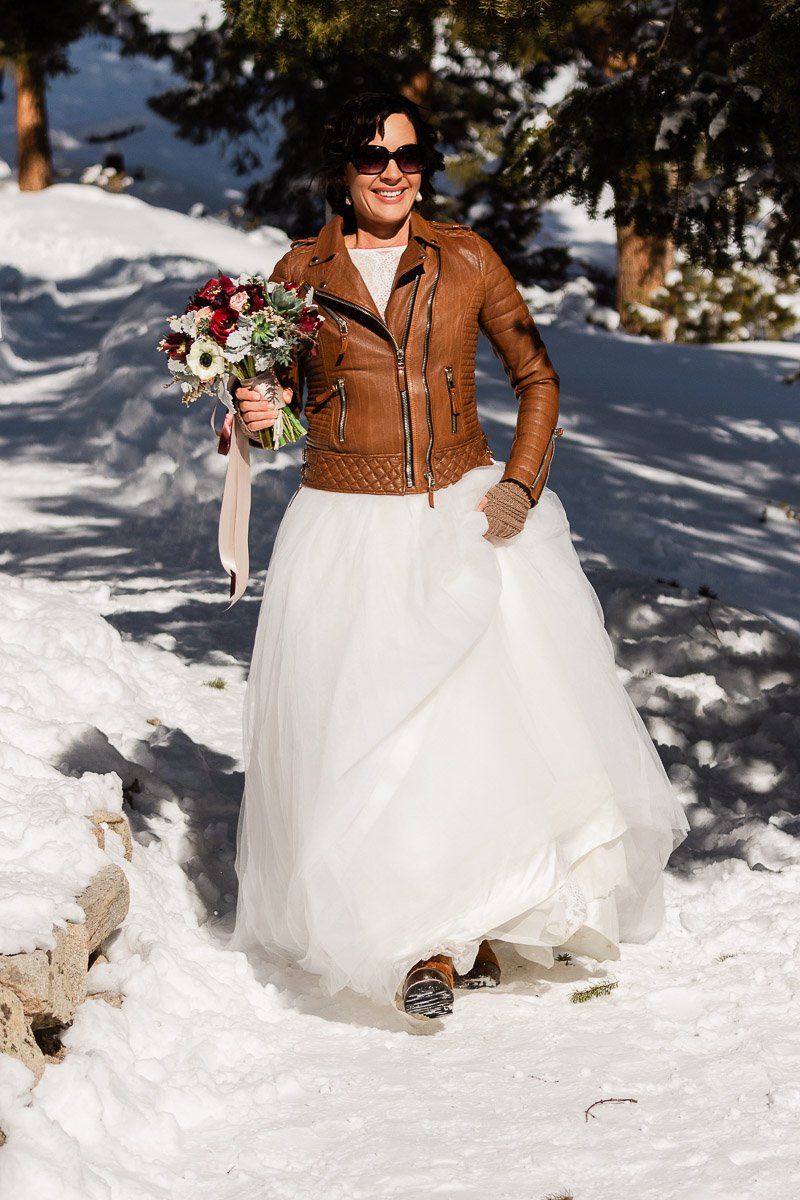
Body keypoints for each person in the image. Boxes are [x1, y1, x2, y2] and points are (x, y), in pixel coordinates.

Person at [225, 91, 689, 1021]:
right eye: (369, 154)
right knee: (369, 744)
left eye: (409, 151)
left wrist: (518, 485)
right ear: (342, 170)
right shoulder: (297, 272)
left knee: (467, 743)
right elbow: (272, 407)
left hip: (465, 520)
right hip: (344, 528)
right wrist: (258, 413)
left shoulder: (468, 258)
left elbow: (537, 377)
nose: (392, 170)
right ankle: (416, 940)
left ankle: (451, 932)